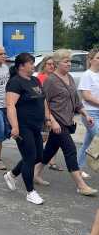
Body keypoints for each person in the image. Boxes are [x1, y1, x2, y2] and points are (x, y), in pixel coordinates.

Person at [34, 49, 97, 196]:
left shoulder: (69, 77)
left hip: (68, 121)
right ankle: (81, 185)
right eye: (66, 61)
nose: (69, 64)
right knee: (70, 150)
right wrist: (52, 121)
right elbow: (44, 103)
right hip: (57, 122)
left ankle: (34, 173)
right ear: (57, 63)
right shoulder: (50, 80)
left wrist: (86, 114)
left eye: (70, 61)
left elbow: (76, 101)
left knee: (49, 150)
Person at [4, 53, 52, 205]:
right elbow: (10, 105)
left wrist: (47, 118)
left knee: (38, 157)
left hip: (36, 126)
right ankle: (30, 192)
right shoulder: (15, 83)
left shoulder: (35, 80)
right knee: (30, 157)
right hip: (22, 126)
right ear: (21, 66)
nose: (33, 65)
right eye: (30, 63)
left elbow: (42, 100)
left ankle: (11, 174)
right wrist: (15, 126)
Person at [36, 55, 61, 171]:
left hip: (56, 111)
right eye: (49, 64)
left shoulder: (56, 77)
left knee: (55, 137)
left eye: (53, 64)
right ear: (44, 65)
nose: (52, 66)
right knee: (43, 138)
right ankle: (36, 160)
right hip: (44, 112)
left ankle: (52, 161)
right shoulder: (40, 77)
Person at [77, 48, 99, 179]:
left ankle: (78, 168)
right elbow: (86, 96)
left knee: (88, 143)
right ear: (91, 60)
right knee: (97, 140)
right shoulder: (87, 75)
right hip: (90, 114)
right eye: (98, 58)